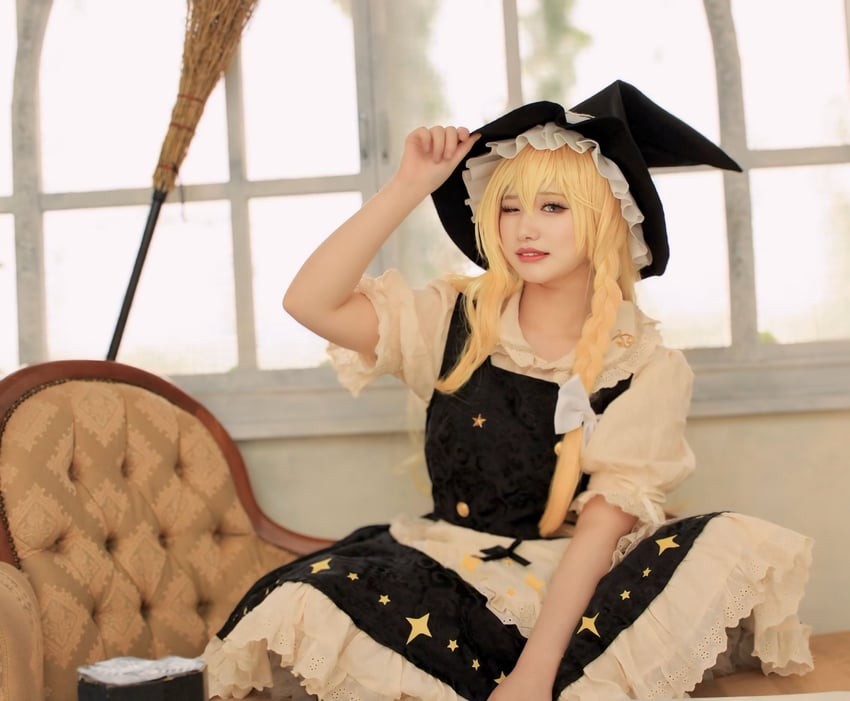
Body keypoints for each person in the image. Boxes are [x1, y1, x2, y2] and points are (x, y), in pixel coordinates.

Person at [202, 80, 814, 701]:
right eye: (509, 207)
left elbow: (598, 536)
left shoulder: (644, 365)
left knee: (724, 537)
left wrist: (533, 676)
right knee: (308, 598)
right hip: (442, 565)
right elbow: (309, 302)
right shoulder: (453, 319)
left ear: (605, 219)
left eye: (553, 207)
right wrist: (409, 185)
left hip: (565, 588)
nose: (525, 228)